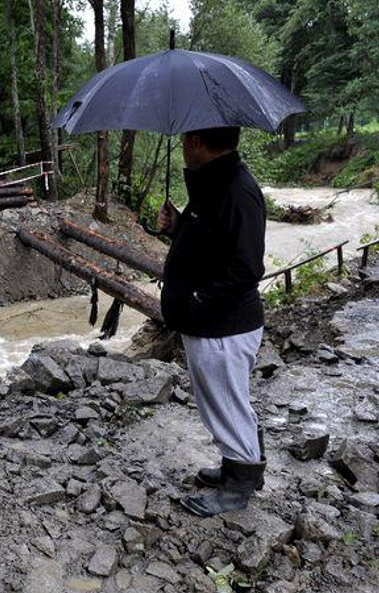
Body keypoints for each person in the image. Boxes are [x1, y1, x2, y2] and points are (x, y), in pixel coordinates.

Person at [157, 126, 267, 518]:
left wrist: (196, 299)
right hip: (211, 321)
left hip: (223, 324)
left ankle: (239, 484)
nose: (183, 146)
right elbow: (212, 245)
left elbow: (247, 267)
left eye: (186, 139)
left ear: (197, 143)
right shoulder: (215, 185)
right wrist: (178, 227)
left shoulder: (236, 190)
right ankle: (239, 464)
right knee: (225, 400)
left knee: (224, 403)